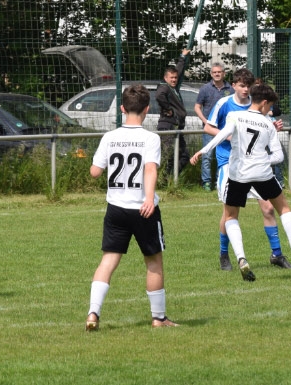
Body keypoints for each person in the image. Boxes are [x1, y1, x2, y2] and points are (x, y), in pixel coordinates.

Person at [190, 82, 291, 281]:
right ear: (263, 103)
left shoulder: (235, 116)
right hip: (263, 173)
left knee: (230, 216)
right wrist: (262, 160)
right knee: (284, 209)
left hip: (239, 174)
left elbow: (222, 134)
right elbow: (278, 156)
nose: (269, 109)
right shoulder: (267, 124)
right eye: (270, 106)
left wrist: (204, 150)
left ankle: (242, 259)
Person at [85, 84, 178, 330]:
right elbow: (150, 168)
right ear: (147, 109)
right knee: (154, 262)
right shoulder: (150, 138)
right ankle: (158, 318)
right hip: (142, 208)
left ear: (122, 109)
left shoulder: (109, 137)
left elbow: (95, 172)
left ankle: (93, 314)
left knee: (108, 261)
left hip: (115, 208)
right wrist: (149, 198)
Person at [206, 68, 291, 271]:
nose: (245, 90)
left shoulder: (257, 105)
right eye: (242, 86)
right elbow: (208, 127)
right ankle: (224, 254)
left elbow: (263, 129)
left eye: (248, 86)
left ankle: (277, 254)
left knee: (268, 208)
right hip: (230, 164)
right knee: (230, 212)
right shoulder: (224, 104)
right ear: (234, 85)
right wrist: (231, 136)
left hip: (255, 165)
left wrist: (273, 129)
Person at [194, 61, 232, 191]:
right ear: (211, 74)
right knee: (207, 155)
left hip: (225, 128)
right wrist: (206, 122)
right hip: (210, 129)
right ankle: (206, 182)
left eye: (219, 72)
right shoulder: (205, 89)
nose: (217, 74)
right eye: (214, 72)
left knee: (223, 155)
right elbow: (197, 107)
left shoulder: (230, 89)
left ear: (224, 73)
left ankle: (220, 180)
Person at [155, 48, 191, 179]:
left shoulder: (173, 87)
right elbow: (159, 96)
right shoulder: (164, 87)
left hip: (176, 126)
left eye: (175, 78)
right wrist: (168, 109)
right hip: (167, 125)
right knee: (169, 155)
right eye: (171, 78)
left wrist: (182, 57)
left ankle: (170, 178)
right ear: (165, 78)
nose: (174, 80)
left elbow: (178, 71)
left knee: (184, 155)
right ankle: (163, 180)